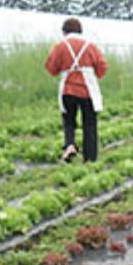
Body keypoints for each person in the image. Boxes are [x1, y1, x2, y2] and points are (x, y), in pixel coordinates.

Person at [45, 17, 107, 162]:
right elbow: (102, 68)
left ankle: (70, 145)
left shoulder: (60, 47)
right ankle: (90, 159)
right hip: (87, 90)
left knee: (69, 120)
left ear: (64, 32)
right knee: (89, 124)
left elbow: (51, 69)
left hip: (67, 89)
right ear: (80, 31)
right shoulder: (90, 46)